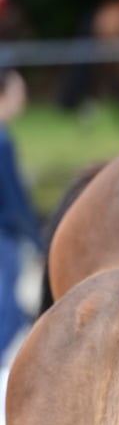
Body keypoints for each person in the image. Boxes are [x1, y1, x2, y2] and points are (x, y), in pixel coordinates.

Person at [0, 68, 42, 361]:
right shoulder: (2, 141)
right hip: (4, 235)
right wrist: (38, 240)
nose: (23, 99)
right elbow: (14, 200)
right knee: (10, 313)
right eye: (18, 92)